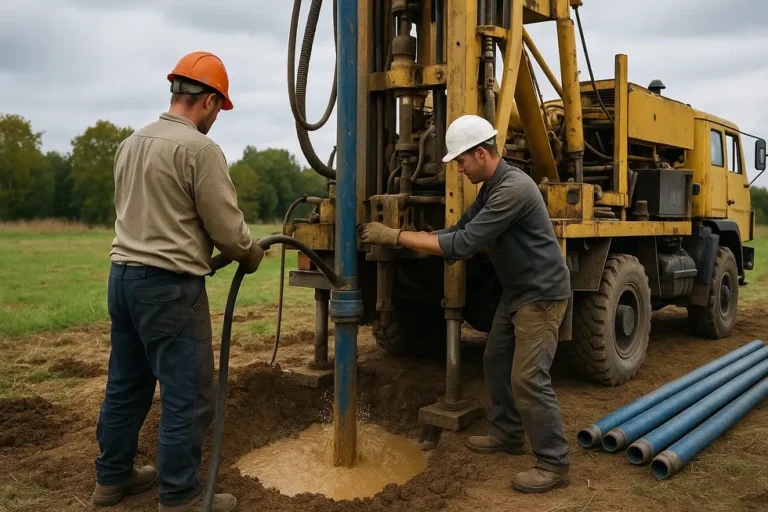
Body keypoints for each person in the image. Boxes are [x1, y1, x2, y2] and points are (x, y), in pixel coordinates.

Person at [358, 114, 572, 493]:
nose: (458, 169)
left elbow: (463, 245)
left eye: (460, 160)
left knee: (528, 378)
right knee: (494, 360)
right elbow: (457, 230)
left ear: (481, 153)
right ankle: (508, 434)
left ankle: (553, 462)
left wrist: (396, 237)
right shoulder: (492, 187)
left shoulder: (513, 190)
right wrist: (416, 236)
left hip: (541, 293)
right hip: (517, 292)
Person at [91, 51, 262, 512]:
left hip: (122, 280)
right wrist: (249, 253)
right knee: (188, 393)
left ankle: (112, 479)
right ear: (207, 101)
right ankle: (180, 495)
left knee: (127, 384)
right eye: (218, 109)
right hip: (168, 290)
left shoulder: (131, 142)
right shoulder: (199, 150)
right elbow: (228, 230)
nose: (215, 120)